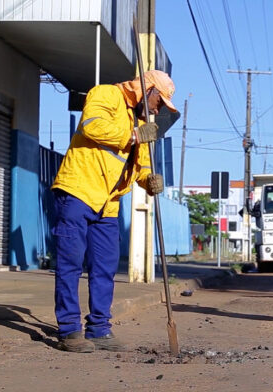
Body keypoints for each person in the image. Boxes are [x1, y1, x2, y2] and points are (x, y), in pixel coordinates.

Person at [51, 70, 178, 353]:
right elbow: (92, 126)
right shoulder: (106, 94)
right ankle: (70, 331)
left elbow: (141, 163)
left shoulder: (141, 120)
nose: (159, 109)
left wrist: (149, 181)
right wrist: (133, 135)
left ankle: (99, 329)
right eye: (160, 102)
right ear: (150, 90)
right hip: (78, 190)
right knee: (70, 264)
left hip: (108, 202)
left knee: (105, 268)